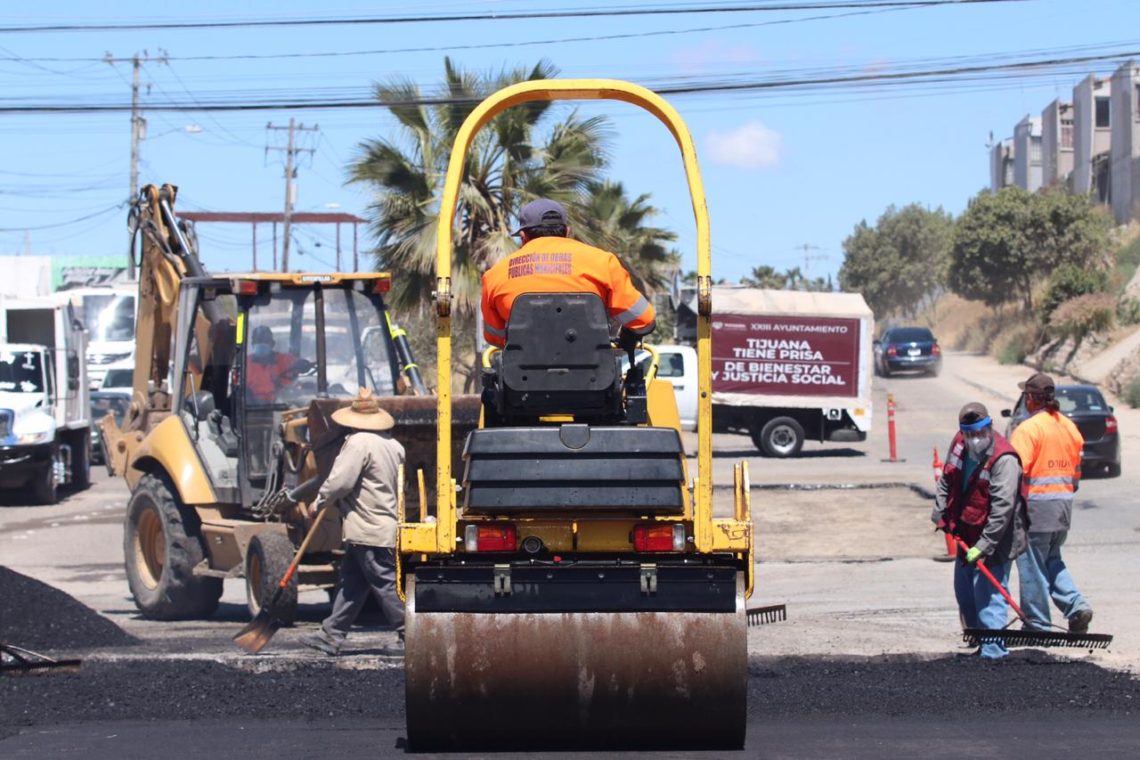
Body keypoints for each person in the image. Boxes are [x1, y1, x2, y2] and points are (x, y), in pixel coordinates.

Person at [299, 388, 406, 656]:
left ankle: (412, 635)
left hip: (368, 528)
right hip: (381, 526)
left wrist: (318, 501)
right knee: (351, 583)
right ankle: (331, 634)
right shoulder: (394, 445)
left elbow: (340, 482)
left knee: (385, 583)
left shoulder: (358, 443)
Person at [480, 198, 656, 351]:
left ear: (523, 236)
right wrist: (626, 337)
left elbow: (495, 337)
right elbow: (644, 319)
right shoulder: (603, 262)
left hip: (521, 377)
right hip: (595, 375)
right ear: (567, 232)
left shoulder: (495, 275)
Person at [932, 401, 1029, 660]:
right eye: (970, 434)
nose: (975, 439)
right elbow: (947, 479)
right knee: (965, 593)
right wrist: (940, 510)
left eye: (980, 433)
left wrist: (984, 546)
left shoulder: (1004, 459)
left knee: (989, 594)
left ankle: (994, 651)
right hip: (967, 532)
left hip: (997, 537)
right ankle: (980, 641)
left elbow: (1002, 509)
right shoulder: (959, 445)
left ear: (990, 427)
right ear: (962, 433)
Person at [1011, 372, 1093, 633]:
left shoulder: (1028, 429)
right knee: (1051, 560)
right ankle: (1076, 606)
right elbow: (1076, 475)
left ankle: (1036, 623)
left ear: (1031, 398)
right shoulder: (1069, 427)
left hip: (1036, 508)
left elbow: (1015, 472)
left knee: (1031, 564)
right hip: (1063, 507)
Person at [245, 325, 311, 402]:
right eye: (258, 342)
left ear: (272, 344)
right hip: (252, 406)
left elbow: (299, 364)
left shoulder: (285, 360)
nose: (262, 344)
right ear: (252, 344)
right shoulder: (245, 364)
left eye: (266, 341)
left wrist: (302, 364)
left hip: (283, 402)